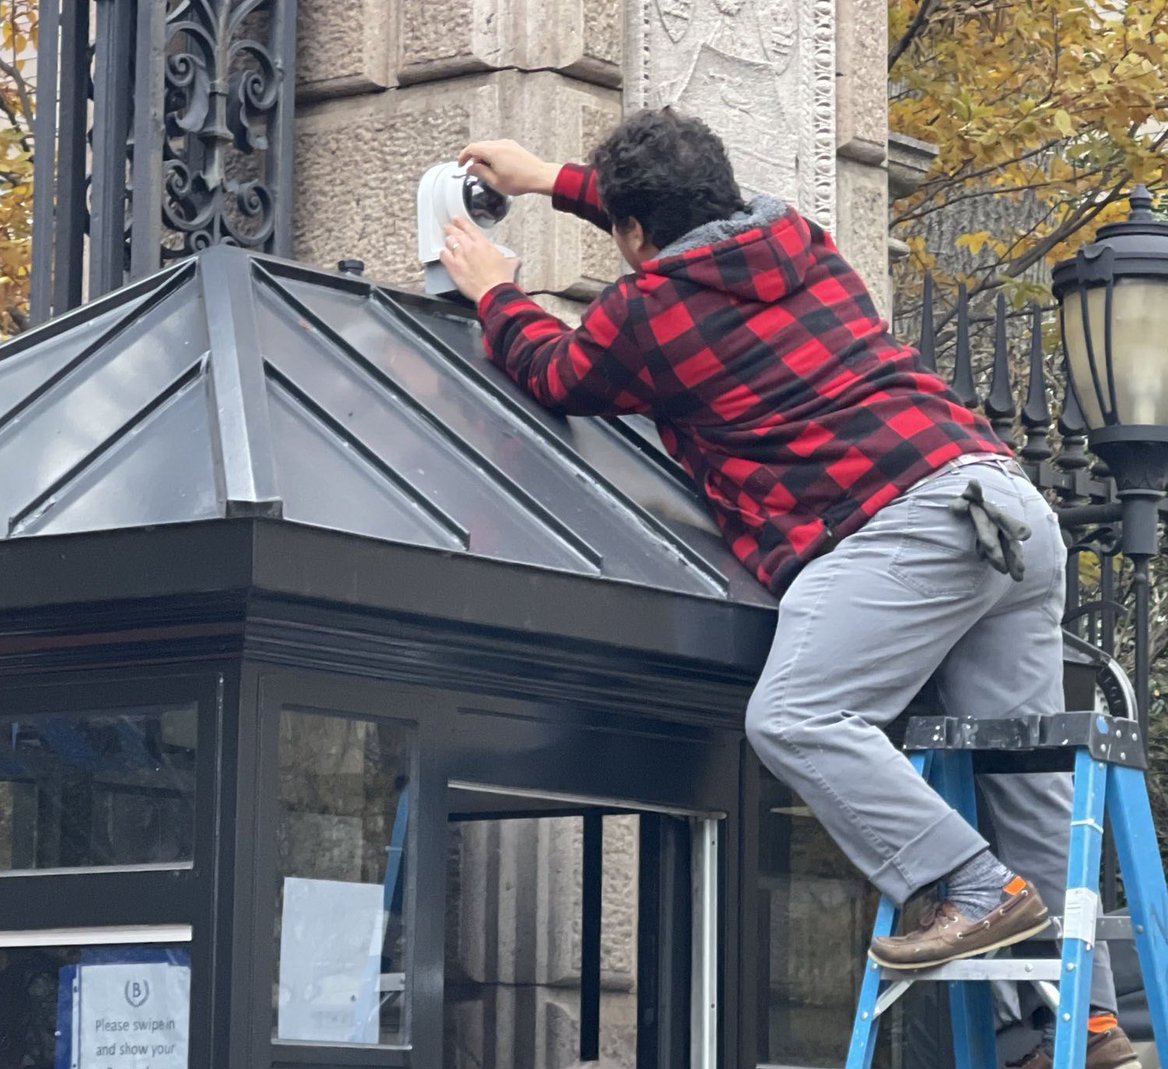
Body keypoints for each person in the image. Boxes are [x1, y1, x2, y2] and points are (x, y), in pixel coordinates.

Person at [437, 108, 1139, 1069]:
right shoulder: (794, 238)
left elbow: (558, 371)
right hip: (1001, 504)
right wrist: (547, 177)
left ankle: (967, 884)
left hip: (896, 523)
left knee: (800, 716)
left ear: (635, 237)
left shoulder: (648, 315)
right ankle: (1082, 1027)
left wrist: (496, 292)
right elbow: (669, 218)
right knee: (1023, 776)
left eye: (620, 230)